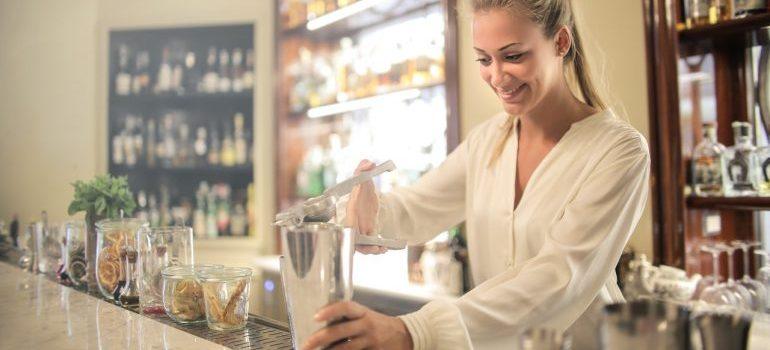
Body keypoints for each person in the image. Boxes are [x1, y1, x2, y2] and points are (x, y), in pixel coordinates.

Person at [302, 0, 650, 349]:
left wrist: (415, 331)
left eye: (513, 56)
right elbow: (418, 207)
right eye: (484, 59)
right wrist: (369, 214)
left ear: (560, 42)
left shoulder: (618, 150)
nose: (497, 77)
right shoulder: (487, 141)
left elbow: (560, 276)